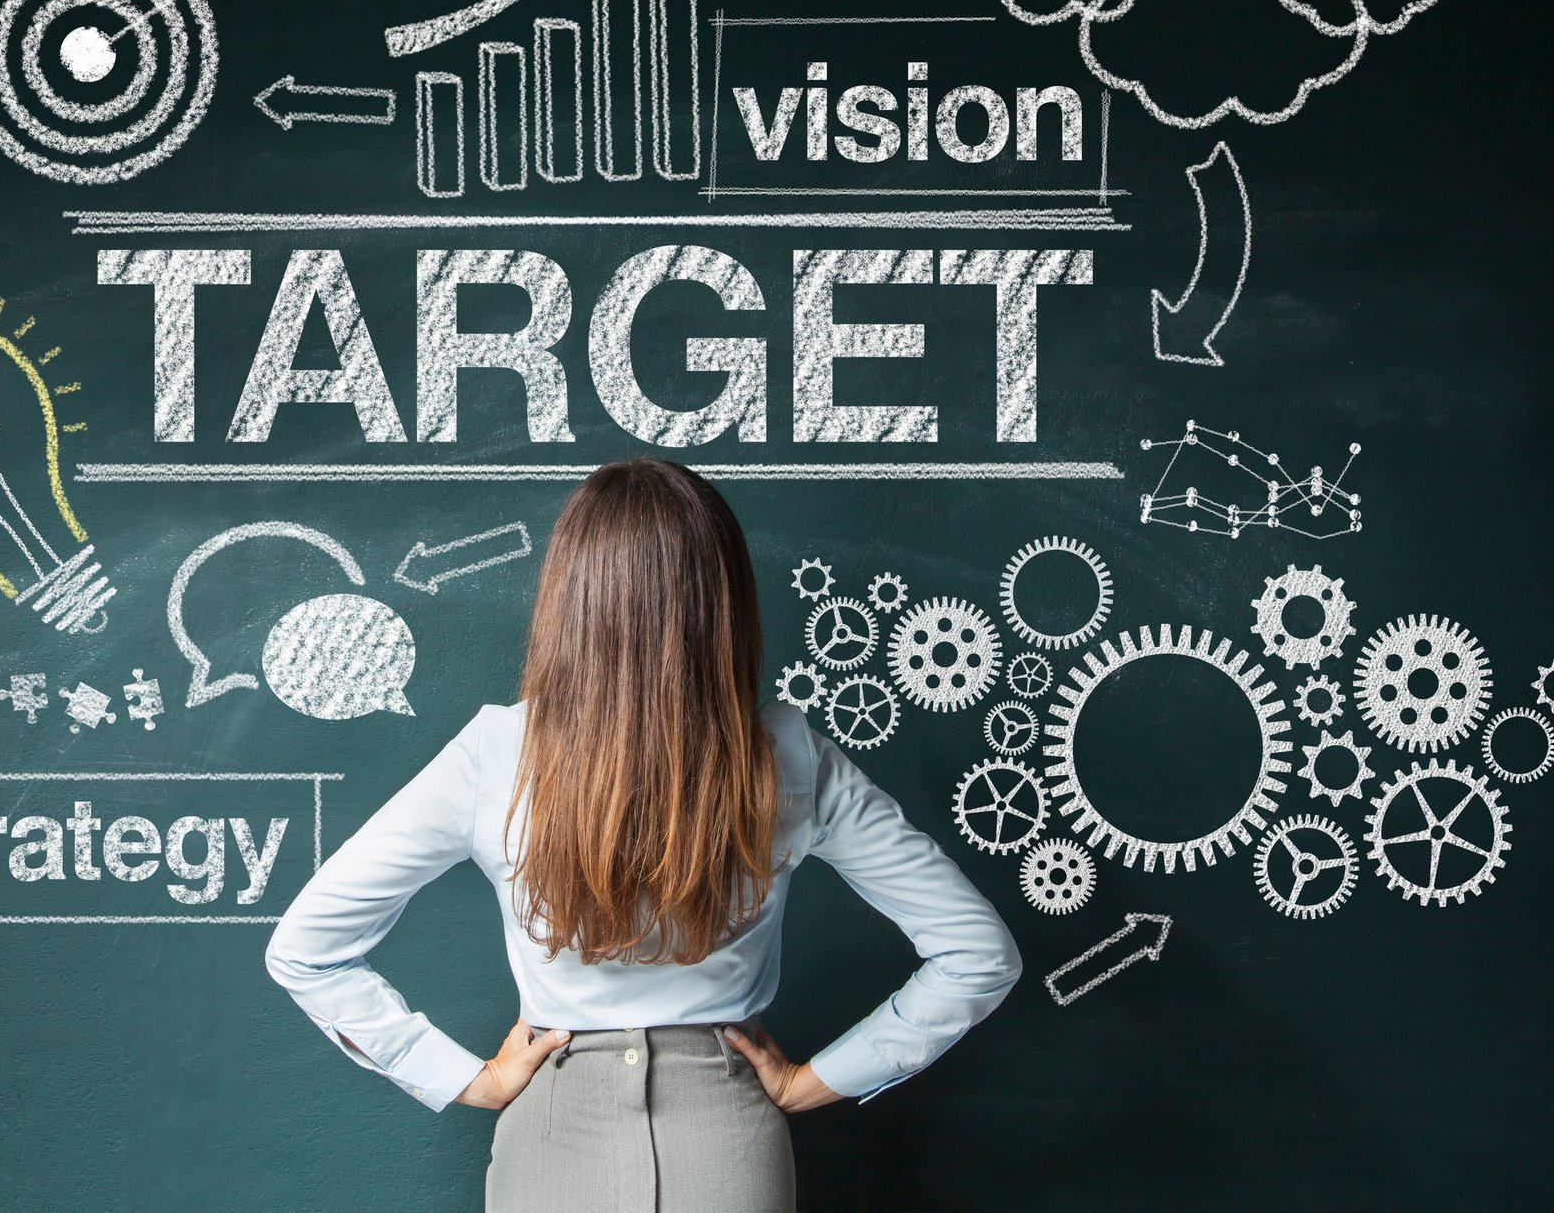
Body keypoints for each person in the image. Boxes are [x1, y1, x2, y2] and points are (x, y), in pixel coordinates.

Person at [265, 458, 1023, 1212]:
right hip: (727, 1137)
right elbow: (979, 957)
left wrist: (464, 1077)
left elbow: (305, 949)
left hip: (550, 1134)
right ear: (724, 602)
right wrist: (818, 1079)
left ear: (569, 598)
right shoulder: (790, 757)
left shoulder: (494, 755)